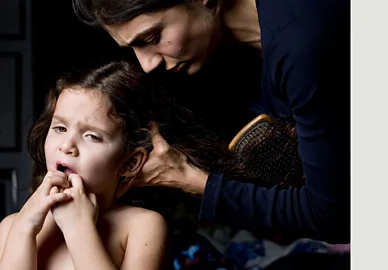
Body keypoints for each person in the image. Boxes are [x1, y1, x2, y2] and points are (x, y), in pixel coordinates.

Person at [72, 0, 351, 244]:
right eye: (133, 48)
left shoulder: (301, 44)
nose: (147, 64)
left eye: (152, 37)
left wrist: (190, 180)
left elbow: (336, 218)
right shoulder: (240, 53)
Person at [0, 59, 171, 270]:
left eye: (92, 136)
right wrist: (24, 229)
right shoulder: (12, 226)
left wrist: (78, 229)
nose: (67, 145)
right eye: (60, 128)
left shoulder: (143, 227)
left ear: (130, 162)